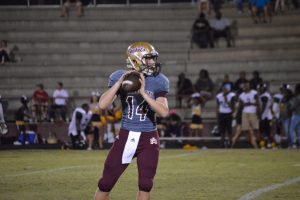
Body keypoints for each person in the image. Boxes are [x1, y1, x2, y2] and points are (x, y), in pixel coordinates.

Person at [94, 42, 169, 200]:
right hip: (126, 134)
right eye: (148, 59)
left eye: (153, 59)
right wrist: (120, 82)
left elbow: (163, 112)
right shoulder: (119, 76)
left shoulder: (159, 80)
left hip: (149, 137)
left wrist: (144, 94)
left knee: (145, 184)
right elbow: (102, 104)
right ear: (136, 60)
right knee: (105, 183)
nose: (153, 62)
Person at [231, 82, 259, 148]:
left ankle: (231, 146)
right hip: (242, 119)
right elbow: (239, 111)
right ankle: (256, 148)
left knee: (241, 134)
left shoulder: (239, 102)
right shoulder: (240, 103)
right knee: (244, 134)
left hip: (241, 118)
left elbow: (237, 111)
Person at [257, 83, 275, 148]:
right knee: (265, 132)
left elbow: (264, 105)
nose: (259, 90)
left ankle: (272, 145)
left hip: (266, 116)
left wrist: (260, 114)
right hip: (267, 116)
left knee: (266, 133)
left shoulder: (264, 96)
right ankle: (265, 145)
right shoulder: (266, 95)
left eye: (260, 88)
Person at [288, 83, 300, 148]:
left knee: (291, 129)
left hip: (296, 114)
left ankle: (294, 143)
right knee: (299, 129)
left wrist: (290, 105)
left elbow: (293, 107)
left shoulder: (297, 98)